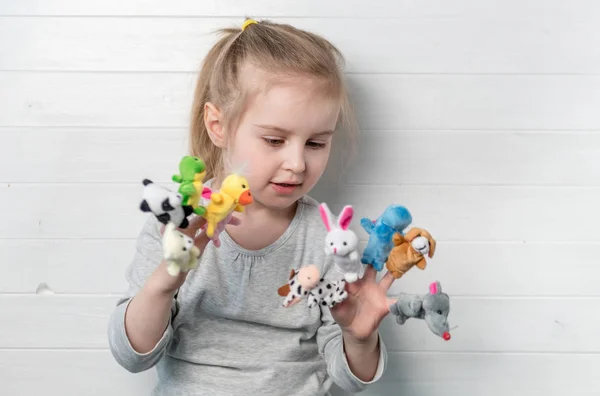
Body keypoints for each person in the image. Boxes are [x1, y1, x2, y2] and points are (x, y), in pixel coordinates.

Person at [108, 18, 397, 396]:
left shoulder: (330, 240)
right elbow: (133, 356)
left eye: (316, 143)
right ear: (218, 125)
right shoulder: (179, 225)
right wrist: (164, 283)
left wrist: (359, 338)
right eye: (275, 140)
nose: (297, 163)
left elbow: (350, 377)